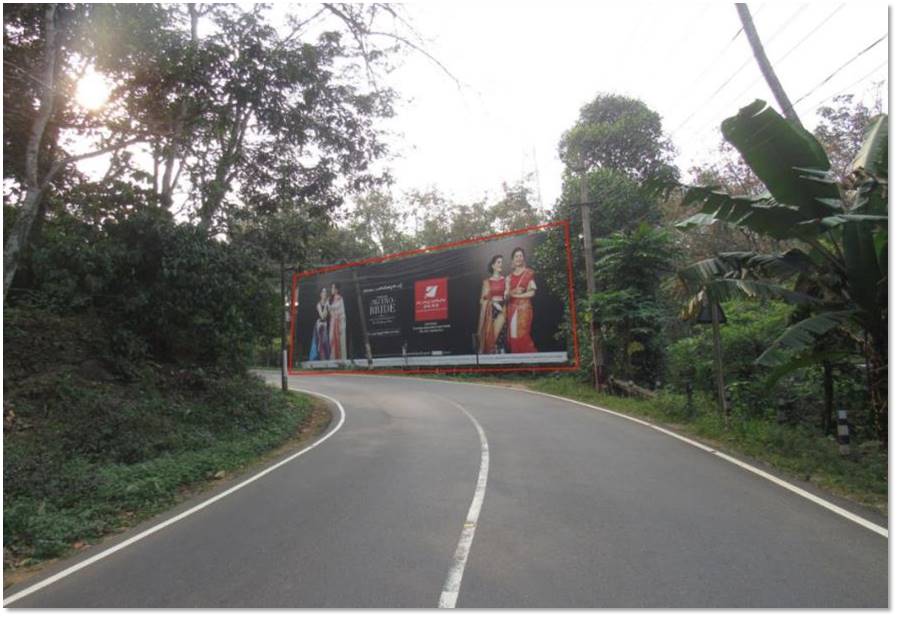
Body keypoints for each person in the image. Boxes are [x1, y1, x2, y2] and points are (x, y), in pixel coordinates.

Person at [506, 247, 538, 353]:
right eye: (516, 256)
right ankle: (517, 362)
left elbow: (532, 293)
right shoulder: (509, 277)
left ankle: (531, 361)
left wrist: (517, 295)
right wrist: (511, 291)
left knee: (523, 334)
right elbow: (506, 296)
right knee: (513, 335)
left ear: (523, 258)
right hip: (511, 308)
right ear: (513, 259)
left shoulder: (528, 273)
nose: (519, 258)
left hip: (524, 308)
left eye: (520, 256)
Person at [477, 254, 508, 354]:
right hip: (491, 311)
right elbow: (481, 300)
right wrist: (492, 303)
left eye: (501, 262)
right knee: (492, 336)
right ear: (493, 266)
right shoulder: (487, 282)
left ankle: (503, 360)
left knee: (501, 336)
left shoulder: (506, 280)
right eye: (498, 262)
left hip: (503, 309)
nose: (501, 264)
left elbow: (508, 296)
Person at [309, 287, 330, 361]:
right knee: (319, 342)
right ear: (320, 294)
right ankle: (317, 357)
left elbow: (326, 316)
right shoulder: (318, 304)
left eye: (325, 292)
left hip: (325, 325)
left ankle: (324, 358)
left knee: (325, 341)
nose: (325, 293)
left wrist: (327, 306)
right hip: (319, 324)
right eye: (323, 292)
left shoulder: (327, 304)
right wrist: (326, 306)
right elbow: (321, 316)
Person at [329, 282, 347, 360]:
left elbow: (340, 311)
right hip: (333, 323)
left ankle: (342, 360)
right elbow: (331, 311)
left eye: (333, 288)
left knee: (341, 342)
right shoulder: (331, 299)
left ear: (336, 290)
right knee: (332, 340)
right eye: (331, 288)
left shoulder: (340, 298)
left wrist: (330, 307)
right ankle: (333, 359)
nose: (331, 290)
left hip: (340, 323)